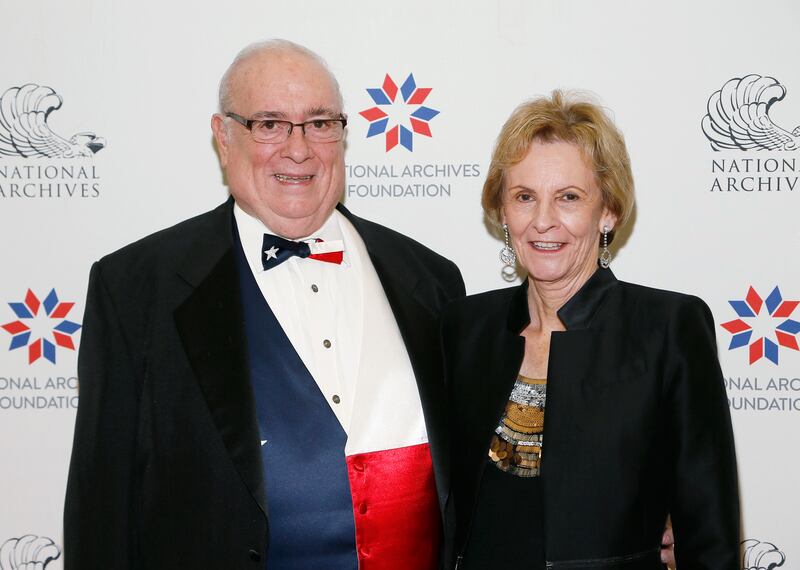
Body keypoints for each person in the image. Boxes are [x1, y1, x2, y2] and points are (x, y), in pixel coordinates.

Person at [64, 39, 464, 570]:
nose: (298, 149)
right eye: (269, 124)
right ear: (223, 138)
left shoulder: (432, 281)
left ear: (344, 134)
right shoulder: (136, 290)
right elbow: (103, 515)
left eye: (320, 123)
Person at [441, 91, 739, 569]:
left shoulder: (667, 330)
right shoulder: (464, 329)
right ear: (502, 211)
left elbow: (709, 536)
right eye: (524, 197)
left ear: (609, 211)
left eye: (569, 198)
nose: (542, 221)